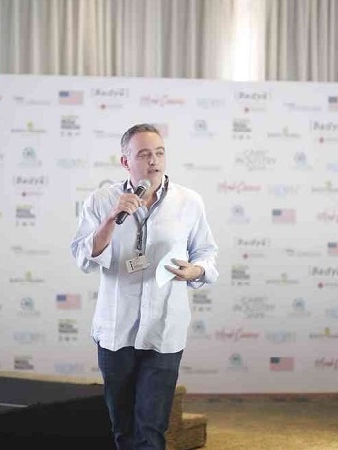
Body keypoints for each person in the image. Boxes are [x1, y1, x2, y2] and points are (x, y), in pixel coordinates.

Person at [70, 123, 219, 450]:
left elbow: (207, 254)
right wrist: (111, 218)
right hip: (116, 330)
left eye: (159, 153)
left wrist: (195, 270)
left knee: (151, 430)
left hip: (163, 330)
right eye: (144, 154)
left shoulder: (189, 201)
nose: (154, 161)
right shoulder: (102, 200)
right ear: (125, 161)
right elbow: (83, 256)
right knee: (123, 429)